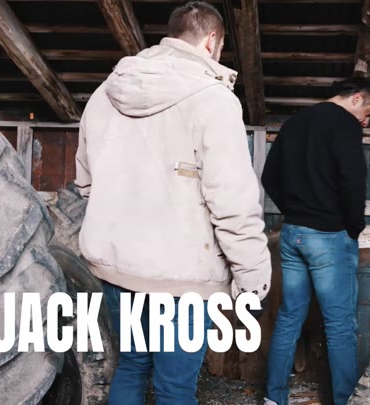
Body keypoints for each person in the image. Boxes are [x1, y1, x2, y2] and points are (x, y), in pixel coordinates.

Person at [74, 2, 272, 404]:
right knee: (175, 388)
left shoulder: (104, 93)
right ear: (211, 41)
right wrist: (253, 277)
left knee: (132, 365)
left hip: (117, 269)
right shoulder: (214, 100)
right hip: (184, 276)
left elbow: (85, 181)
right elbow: (231, 200)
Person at [261, 78, 370, 405]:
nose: (366, 122)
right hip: (328, 237)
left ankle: (273, 398)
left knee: (289, 318)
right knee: (339, 325)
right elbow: (353, 180)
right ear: (357, 98)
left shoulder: (295, 122)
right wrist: (353, 228)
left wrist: (295, 211)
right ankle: (343, 400)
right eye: (368, 113)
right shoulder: (345, 125)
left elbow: (269, 177)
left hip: (292, 234)